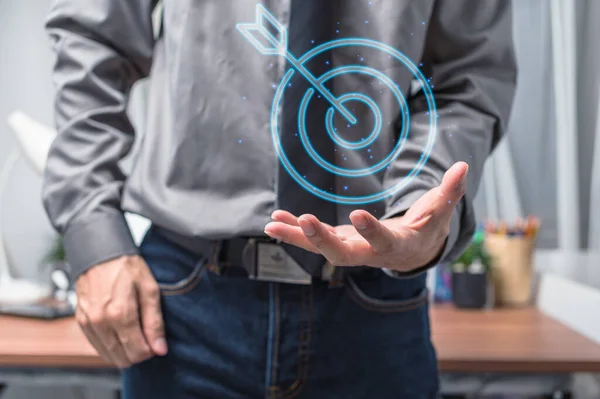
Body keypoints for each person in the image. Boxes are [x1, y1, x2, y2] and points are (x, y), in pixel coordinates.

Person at [43, 0, 516, 398]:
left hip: (374, 303)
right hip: (183, 310)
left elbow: (467, 77)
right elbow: (93, 39)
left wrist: (422, 207)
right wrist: (94, 236)